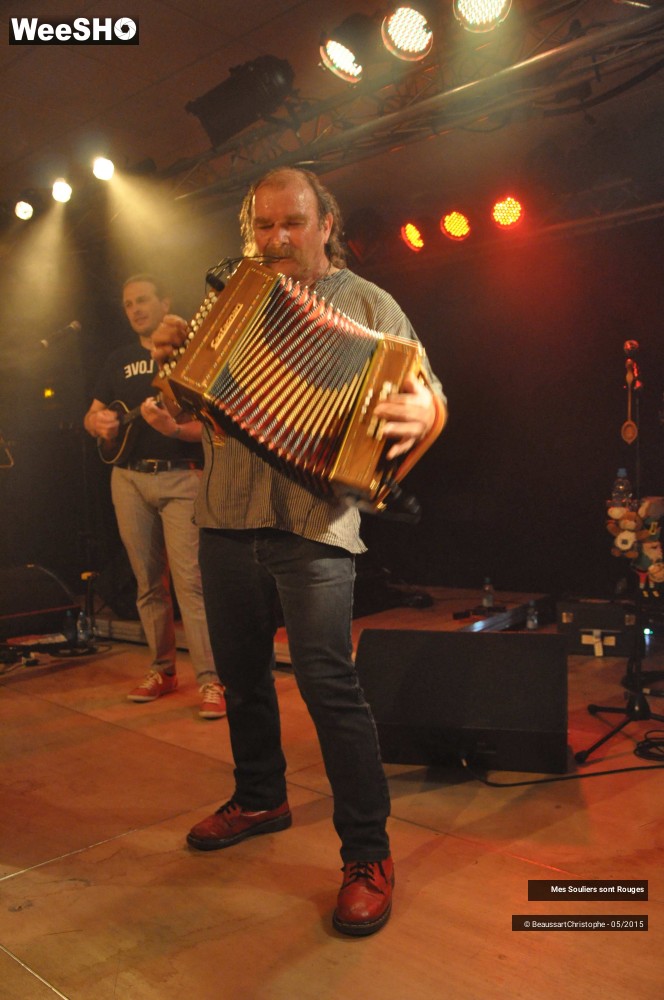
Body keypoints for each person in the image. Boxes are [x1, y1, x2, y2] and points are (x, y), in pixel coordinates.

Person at [152, 168, 447, 935]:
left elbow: (430, 397)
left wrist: (423, 408)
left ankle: (368, 854)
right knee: (244, 678)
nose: (278, 239)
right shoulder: (233, 297)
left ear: (326, 224)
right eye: (265, 226)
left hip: (315, 527)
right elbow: (186, 401)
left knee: (328, 686)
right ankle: (259, 797)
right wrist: (171, 363)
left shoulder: (371, 305)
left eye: (293, 223)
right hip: (223, 516)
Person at [83, 274, 226, 721]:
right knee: (148, 582)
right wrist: (98, 424)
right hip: (128, 480)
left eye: (143, 300)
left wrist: (174, 430)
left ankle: (211, 680)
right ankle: (161, 670)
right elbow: (93, 413)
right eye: (128, 304)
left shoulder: (190, 354)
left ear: (165, 302)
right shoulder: (118, 359)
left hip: (183, 479)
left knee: (191, 584)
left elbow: (213, 426)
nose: (136, 309)